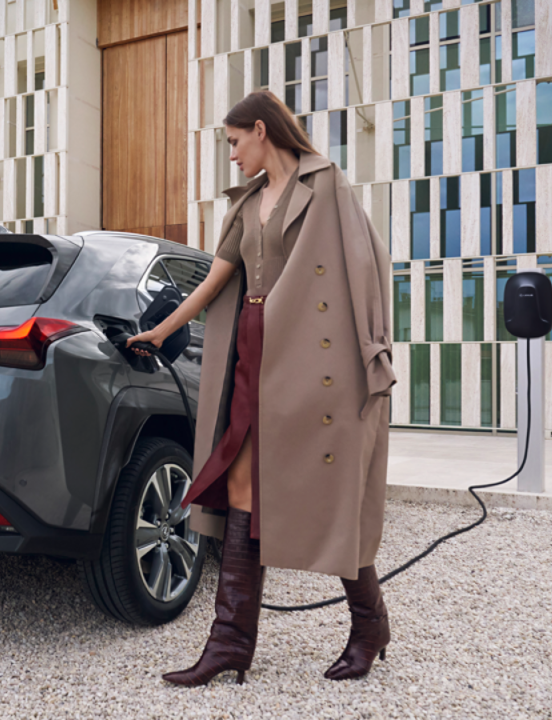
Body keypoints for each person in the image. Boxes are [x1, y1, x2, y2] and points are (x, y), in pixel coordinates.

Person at [124, 90, 396, 685]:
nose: (231, 156)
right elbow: (214, 280)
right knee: (241, 483)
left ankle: (369, 623)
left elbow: (366, 267)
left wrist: (375, 354)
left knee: (332, 497)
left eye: (232, 142)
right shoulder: (246, 205)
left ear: (259, 131)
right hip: (254, 351)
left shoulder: (324, 185)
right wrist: (160, 330)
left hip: (315, 362)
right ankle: (229, 644)